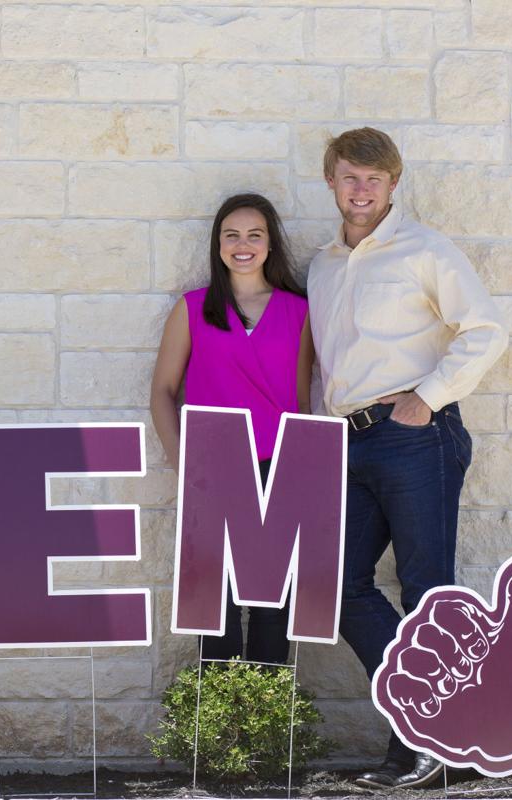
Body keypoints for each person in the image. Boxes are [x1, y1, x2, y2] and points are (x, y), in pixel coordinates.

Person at [308, 128, 508, 789]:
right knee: (338, 587)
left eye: (373, 178)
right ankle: (427, 729)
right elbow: (331, 364)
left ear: (393, 184)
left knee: (426, 593)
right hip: (349, 441)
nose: (360, 189)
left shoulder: (425, 249)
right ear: (331, 182)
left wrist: (426, 398)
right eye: (348, 177)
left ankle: (425, 747)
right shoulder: (324, 265)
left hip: (414, 436)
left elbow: (484, 331)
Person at [150, 192, 313, 665]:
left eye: (254, 235)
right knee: (213, 611)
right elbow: (162, 390)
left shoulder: (298, 311)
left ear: (270, 244)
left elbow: (300, 400)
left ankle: (265, 729)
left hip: (277, 471)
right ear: (218, 244)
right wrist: (183, 461)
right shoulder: (193, 308)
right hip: (213, 470)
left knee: (273, 610)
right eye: (231, 235)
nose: (243, 245)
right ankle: (217, 733)